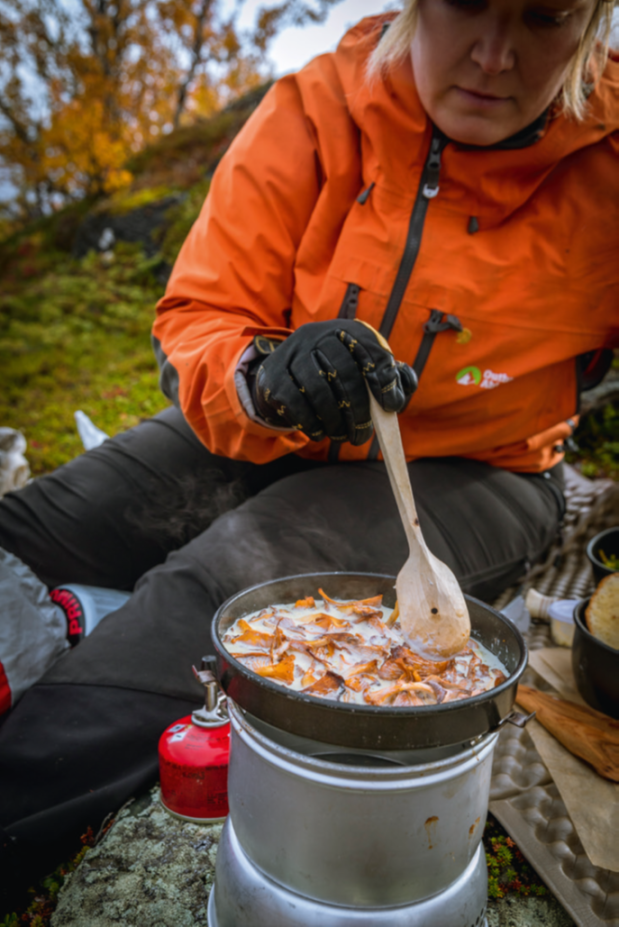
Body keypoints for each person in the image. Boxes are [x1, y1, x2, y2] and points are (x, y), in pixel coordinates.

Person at [0, 0, 617, 901]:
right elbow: (200, 315)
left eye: (541, 16)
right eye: (465, 6)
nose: (493, 55)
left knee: (231, 587)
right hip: (278, 421)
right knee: (41, 522)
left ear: (595, 21)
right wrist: (261, 377)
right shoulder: (318, 106)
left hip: (483, 469)